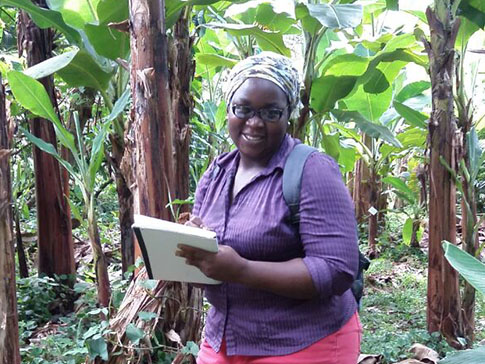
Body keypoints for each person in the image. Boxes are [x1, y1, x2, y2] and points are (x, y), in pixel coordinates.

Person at [176, 52, 361, 364]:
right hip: (224, 339)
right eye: (243, 109)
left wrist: (243, 270)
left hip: (300, 342)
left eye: (270, 113)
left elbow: (337, 269)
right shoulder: (217, 172)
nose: (254, 123)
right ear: (229, 109)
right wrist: (198, 253)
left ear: (288, 114)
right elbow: (212, 267)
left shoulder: (311, 169)